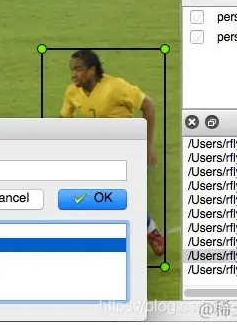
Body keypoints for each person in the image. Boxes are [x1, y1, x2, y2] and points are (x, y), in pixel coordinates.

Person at [60, 49, 165, 257]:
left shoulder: (115, 87)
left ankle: (148, 232)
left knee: (123, 199)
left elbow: (148, 105)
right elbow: (65, 119)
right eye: (72, 70)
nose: (73, 75)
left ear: (92, 71)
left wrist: (146, 147)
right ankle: (142, 233)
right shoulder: (73, 92)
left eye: (78, 69)